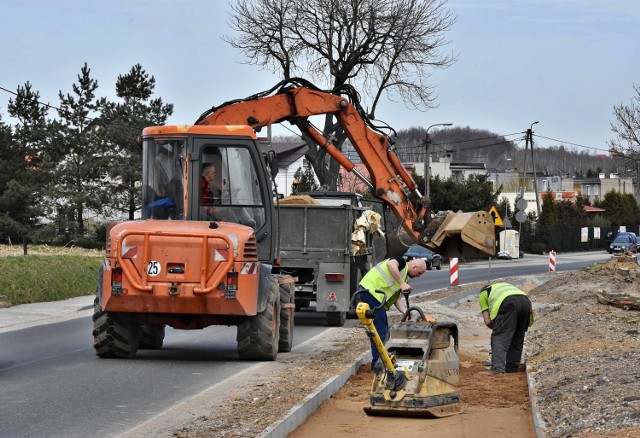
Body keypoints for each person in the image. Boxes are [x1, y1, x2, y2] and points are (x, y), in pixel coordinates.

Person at [356, 257, 428, 371]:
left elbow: (396, 299)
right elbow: (391, 264)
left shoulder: (403, 276)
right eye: (419, 273)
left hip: (375, 295)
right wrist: (402, 283)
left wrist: (405, 312)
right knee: (380, 332)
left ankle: (381, 363)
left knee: (381, 330)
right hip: (371, 291)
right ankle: (379, 366)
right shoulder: (402, 262)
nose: (418, 276)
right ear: (414, 267)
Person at [478, 282, 534, 375]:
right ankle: (512, 367)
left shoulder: (483, 293)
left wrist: (499, 330)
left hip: (509, 302)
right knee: (517, 337)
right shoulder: (503, 287)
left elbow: (487, 321)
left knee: (499, 337)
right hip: (526, 302)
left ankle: (497, 369)